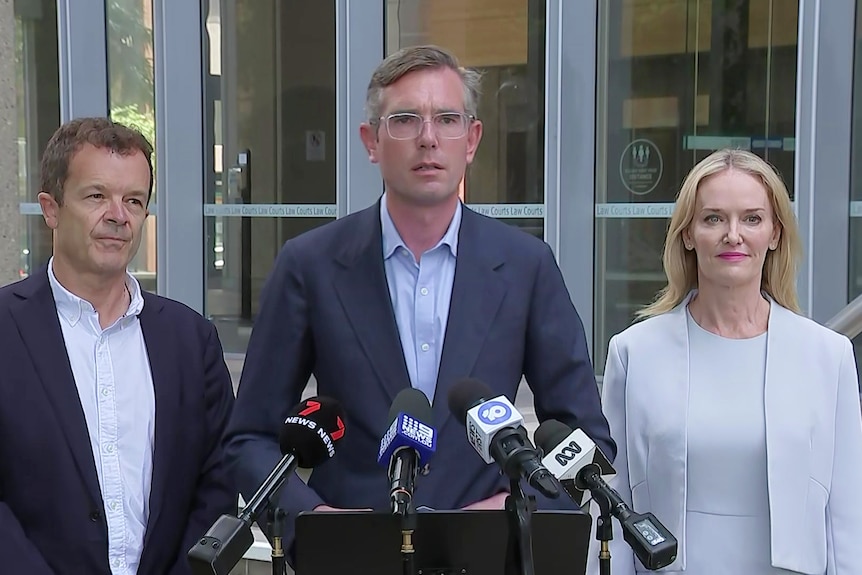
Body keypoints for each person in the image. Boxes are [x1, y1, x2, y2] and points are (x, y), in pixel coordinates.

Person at [223, 44, 614, 558]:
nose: (428, 139)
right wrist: (317, 522)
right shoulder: (309, 265)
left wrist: (511, 509)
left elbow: (587, 442)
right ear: (371, 141)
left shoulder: (526, 266)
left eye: (447, 119)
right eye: (405, 119)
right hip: (354, 559)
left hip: (486, 554)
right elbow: (250, 438)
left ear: (471, 140)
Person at [596, 148, 862, 574]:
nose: (733, 234)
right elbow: (612, 503)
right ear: (687, 233)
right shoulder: (634, 354)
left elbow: (847, 522)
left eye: (752, 218)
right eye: (713, 218)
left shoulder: (827, 357)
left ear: (775, 234)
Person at [0, 117, 236, 575]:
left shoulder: (191, 339)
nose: (118, 215)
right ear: (51, 208)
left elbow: (218, 483)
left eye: (134, 200)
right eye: (96, 196)